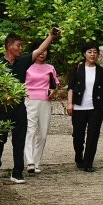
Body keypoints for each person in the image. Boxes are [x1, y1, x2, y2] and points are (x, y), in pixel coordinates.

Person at [0, 29, 59, 184]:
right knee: (0, 138)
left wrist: (51, 36)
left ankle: (17, 172)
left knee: (19, 139)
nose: (21, 49)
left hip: (19, 106)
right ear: (9, 46)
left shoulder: (23, 61)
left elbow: (40, 49)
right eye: (18, 46)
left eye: (22, 46)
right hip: (2, 107)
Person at [66, 42, 103, 172]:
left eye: (95, 52)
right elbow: (71, 88)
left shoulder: (102, 71)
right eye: (89, 52)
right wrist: (70, 103)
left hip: (95, 108)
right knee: (78, 136)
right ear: (84, 53)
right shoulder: (77, 69)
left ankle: (88, 163)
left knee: (93, 136)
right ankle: (78, 157)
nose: (92, 54)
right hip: (79, 107)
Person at [24, 43, 60, 175]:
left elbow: (55, 84)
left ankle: (36, 162)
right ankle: (30, 162)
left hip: (45, 101)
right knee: (30, 131)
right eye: (40, 50)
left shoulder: (50, 68)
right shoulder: (27, 66)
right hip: (30, 101)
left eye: (45, 51)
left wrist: (53, 91)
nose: (42, 53)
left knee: (43, 134)